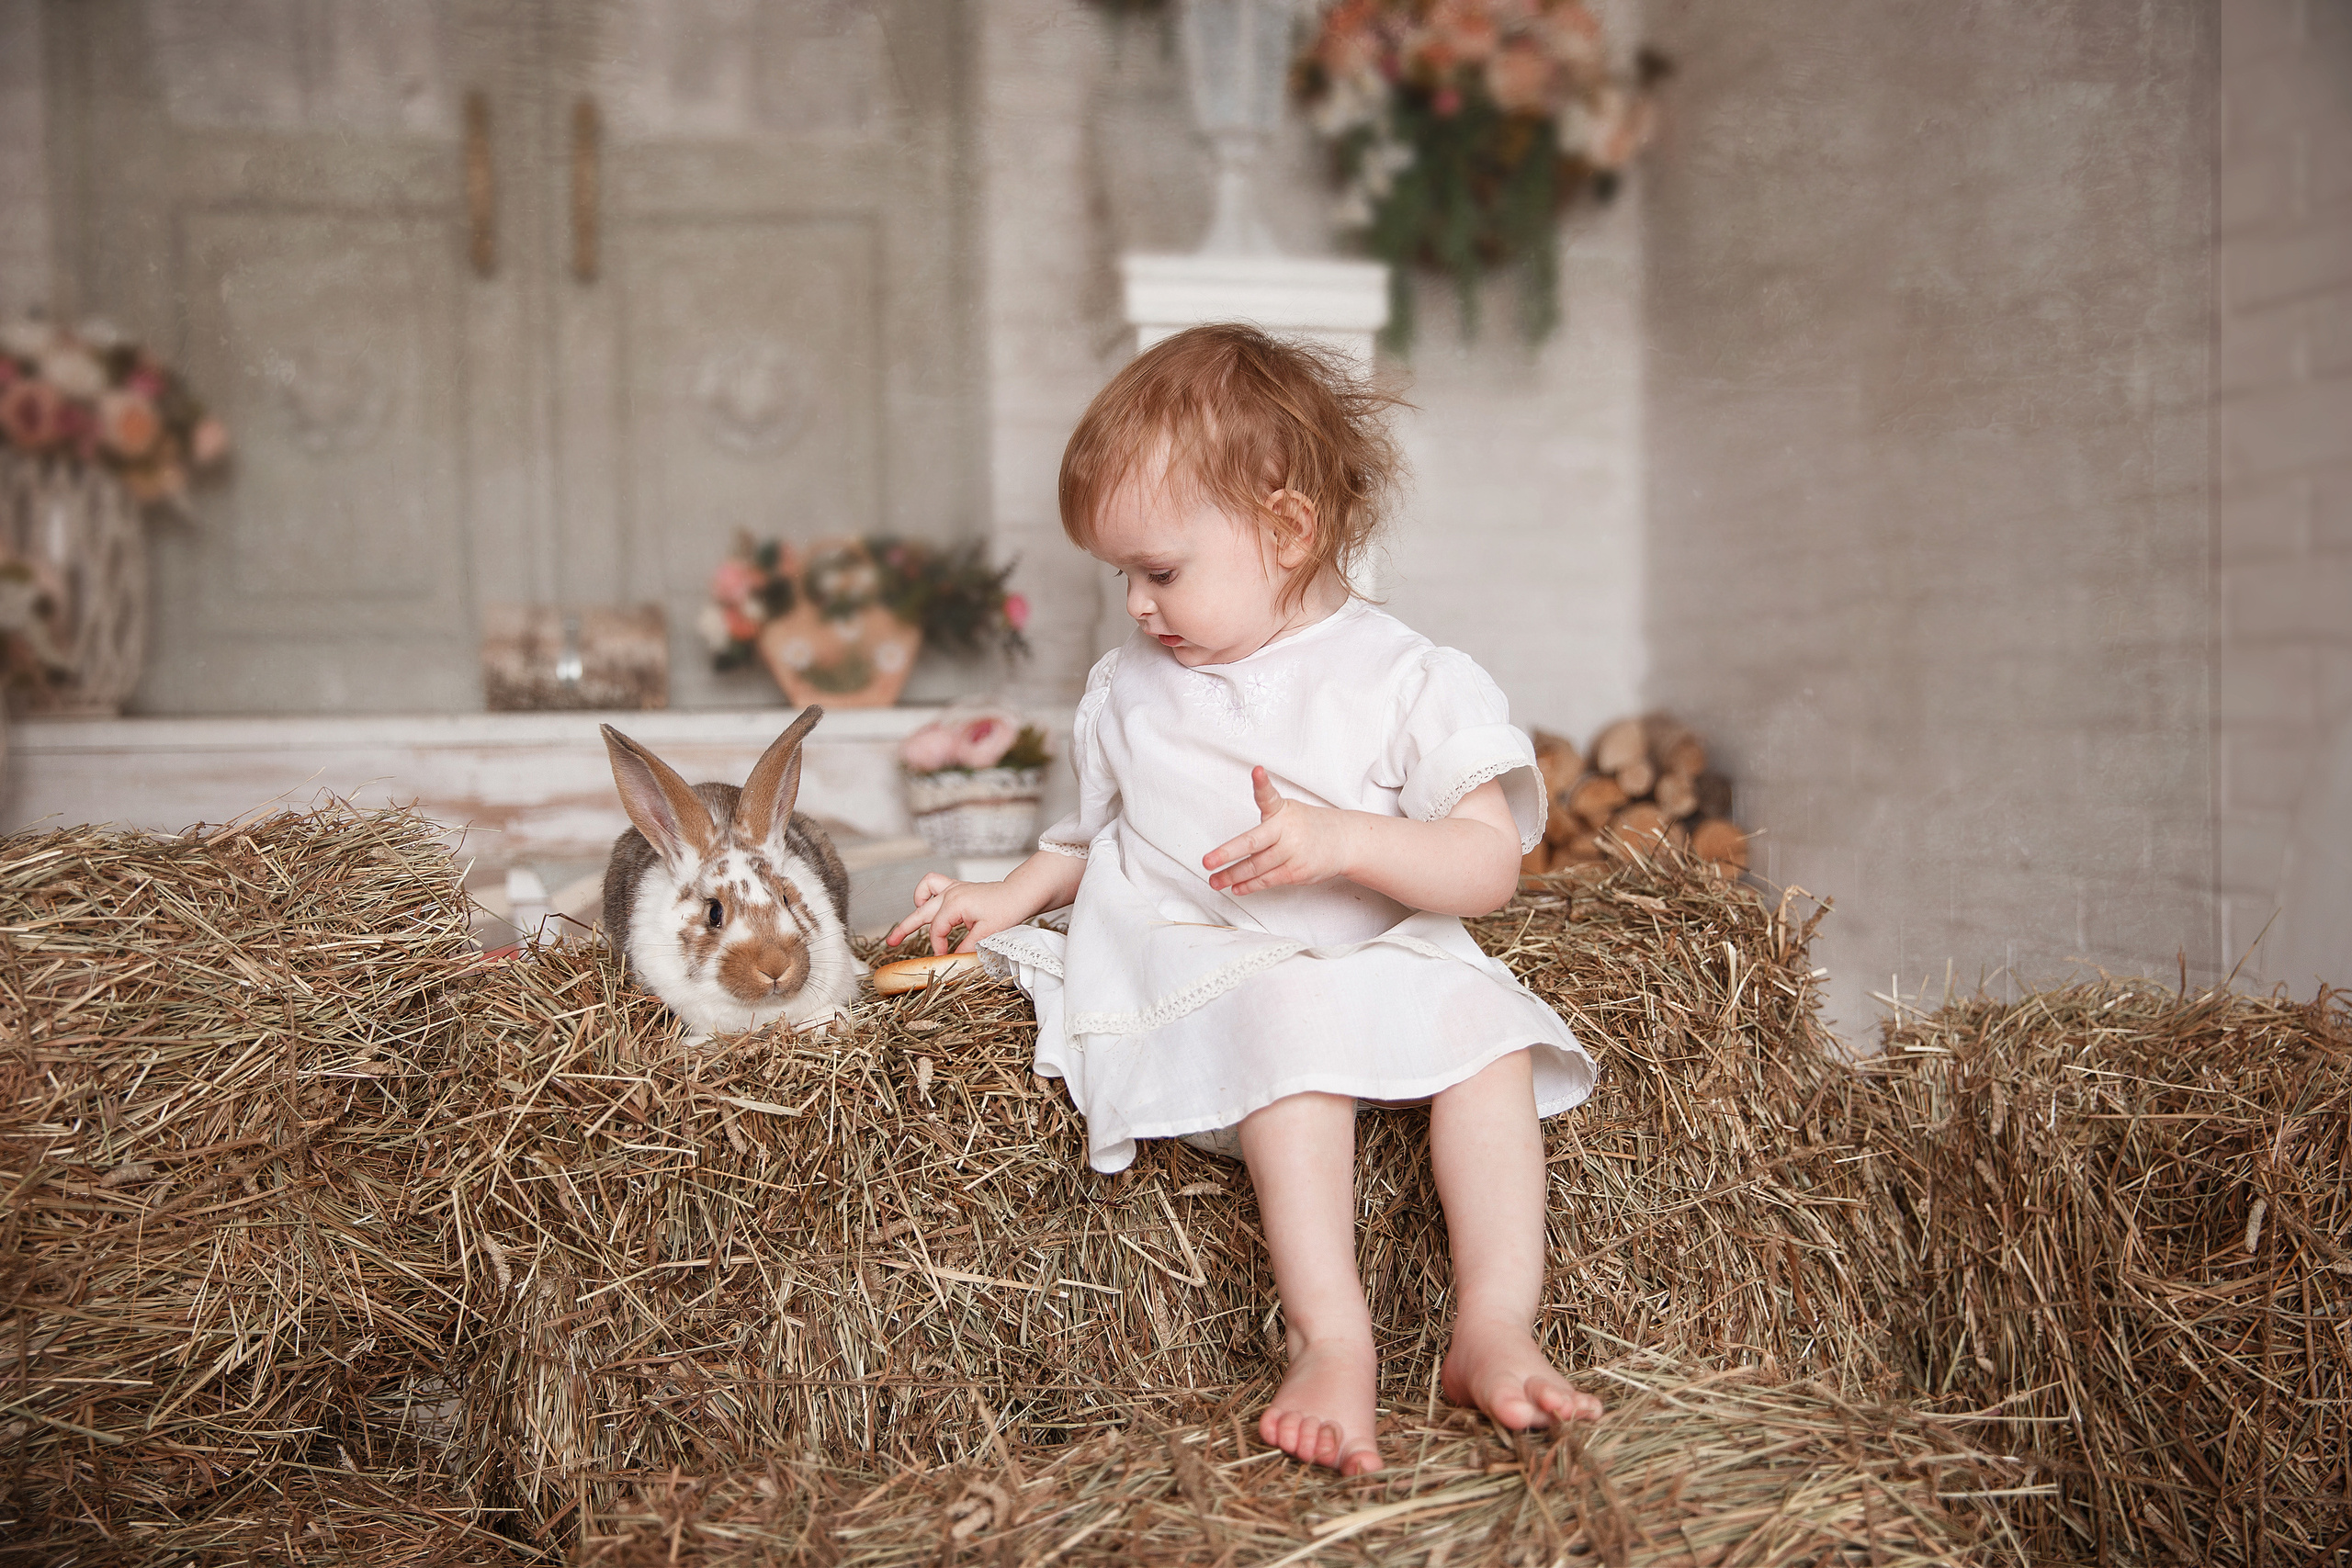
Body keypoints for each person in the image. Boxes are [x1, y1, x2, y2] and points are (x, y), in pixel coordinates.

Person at [885, 323, 1600, 1476]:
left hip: (1378, 949)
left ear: (1286, 531)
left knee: (1492, 1038)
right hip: (1215, 955)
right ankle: (1333, 1339)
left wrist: (1343, 840)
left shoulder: (1404, 678)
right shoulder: (1131, 689)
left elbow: (1487, 869)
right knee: (1291, 1034)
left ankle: (1493, 1326)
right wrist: (1006, 893)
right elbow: (1102, 838)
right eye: (1120, 575)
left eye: (1160, 572)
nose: (1135, 606)